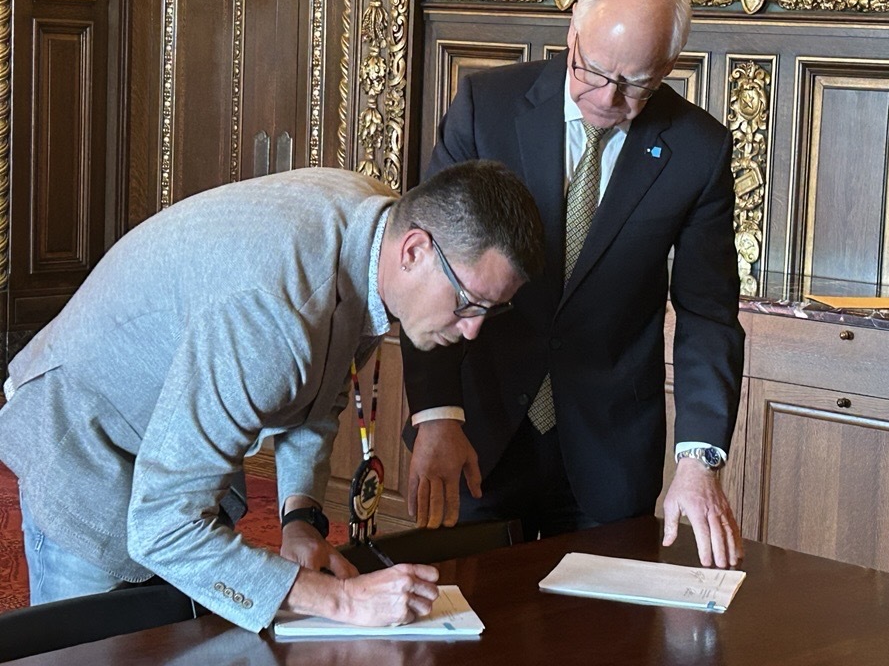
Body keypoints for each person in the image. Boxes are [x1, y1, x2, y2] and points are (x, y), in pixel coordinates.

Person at [0, 160, 545, 633]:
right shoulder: (273, 313)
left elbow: (318, 389)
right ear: (416, 250)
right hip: (85, 445)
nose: (473, 331)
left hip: (170, 442)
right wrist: (341, 600)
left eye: (489, 311)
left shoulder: (370, 230)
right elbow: (163, 526)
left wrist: (300, 520)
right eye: (469, 303)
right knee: (96, 651)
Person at [400, 0, 746, 568]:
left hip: (609, 450)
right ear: (572, 35)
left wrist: (698, 460)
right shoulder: (488, 107)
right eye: (594, 71)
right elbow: (428, 265)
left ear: (667, 69)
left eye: (636, 84)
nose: (608, 98)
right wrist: (435, 412)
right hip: (477, 432)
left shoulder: (698, 150)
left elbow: (708, 314)